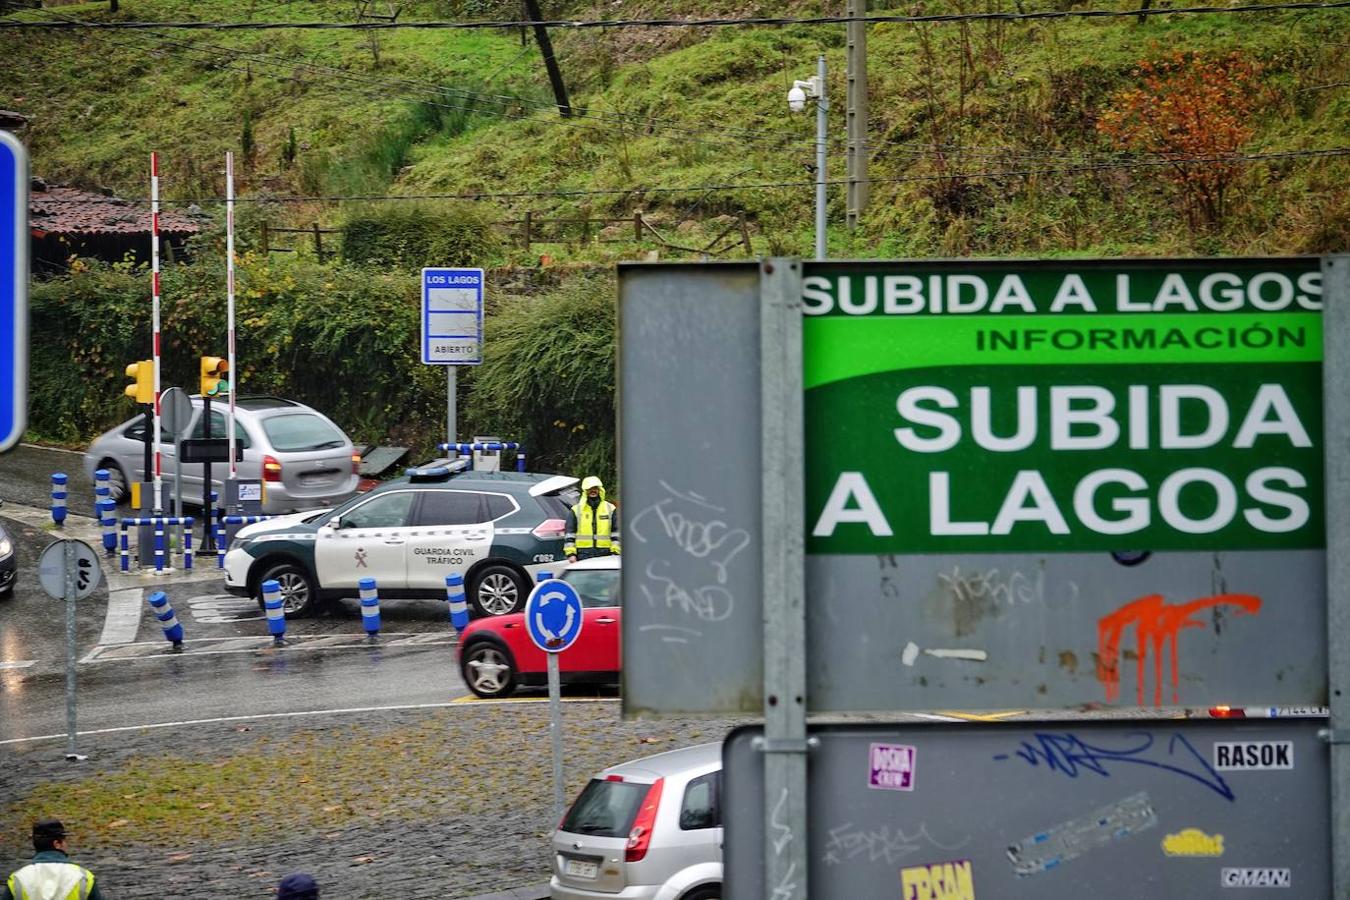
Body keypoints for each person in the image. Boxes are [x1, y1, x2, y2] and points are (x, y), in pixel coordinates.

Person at [1, 818, 104, 900]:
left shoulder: (17, 879)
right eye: (64, 841)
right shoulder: (83, 878)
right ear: (57, 844)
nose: (66, 844)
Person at [565, 476, 620, 563]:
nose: (592, 490)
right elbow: (569, 533)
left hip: (605, 553)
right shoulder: (576, 509)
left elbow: (616, 532)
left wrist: (615, 552)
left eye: (595, 488)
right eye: (589, 488)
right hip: (583, 553)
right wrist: (571, 554)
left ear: (599, 490)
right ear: (585, 491)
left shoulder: (610, 508)